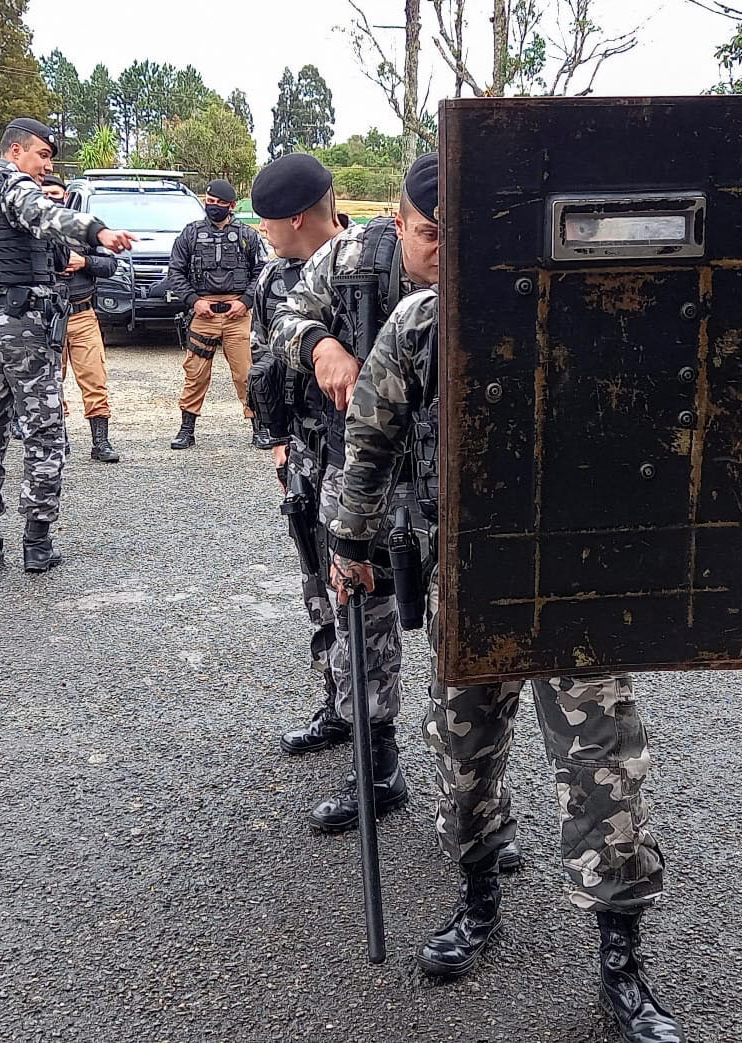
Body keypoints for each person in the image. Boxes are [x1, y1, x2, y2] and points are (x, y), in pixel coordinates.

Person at [325, 160, 681, 1041]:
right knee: (465, 753)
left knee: (605, 764)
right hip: (469, 580)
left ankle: (621, 964)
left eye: (424, 228)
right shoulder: (419, 324)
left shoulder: (598, 303)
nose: (417, 245)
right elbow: (371, 438)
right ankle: (479, 902)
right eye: (417, 227)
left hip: (574, 579)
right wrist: (352, 544)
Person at [266, 156, 439, 840]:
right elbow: (282, 316)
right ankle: (378, 766)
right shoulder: (351, 255)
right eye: (429, 234)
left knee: (470, 637)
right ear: (399, 224)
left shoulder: (488, 260)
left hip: (450, 472)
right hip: (363, 464)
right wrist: (319, 345)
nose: (444, 251)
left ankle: (480, 807)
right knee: (361, 613)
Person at [0, 117, 134, 574]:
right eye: (42, 155)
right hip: (24, 326)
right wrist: (98, 232)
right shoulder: (13, 187)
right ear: (15, 152)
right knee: (45, 434)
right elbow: (46, 216)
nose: (47, 165)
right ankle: (36, 543)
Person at [247, 153, 350, 754]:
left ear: (294, 218)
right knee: (317, 579)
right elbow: (266, 369)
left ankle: (374, 729)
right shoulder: (271, 279)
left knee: (362, 592)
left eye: (267, 221)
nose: (261, 230)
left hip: (358, 460)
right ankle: (338, 702)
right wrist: (280, 444)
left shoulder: (366, 269)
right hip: (305, 456)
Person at [166, 178, 267, 450]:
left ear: (231, 206)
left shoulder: (248, 236)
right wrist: (193, 301)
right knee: (195, 373)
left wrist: (245, 301)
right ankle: (187, 429)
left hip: (238, 315)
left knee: (246, 374)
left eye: (219, 203)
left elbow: (262, 272)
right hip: (203, 314)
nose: (213, 207)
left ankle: (259, 427)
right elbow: (175, 272)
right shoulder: (190, 234)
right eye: (209, 202)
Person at [42, 173, 121, 463]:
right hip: (46, 317)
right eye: (45, 193)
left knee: (94, 379)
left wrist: (83, 261)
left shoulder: (83, 228)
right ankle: (57, 439)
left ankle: (100, 442)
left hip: (81, 313)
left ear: (66, 197)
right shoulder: (29, 231)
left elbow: (111, 263)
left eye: (56, 194)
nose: (51, 198)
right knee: (49, 382)